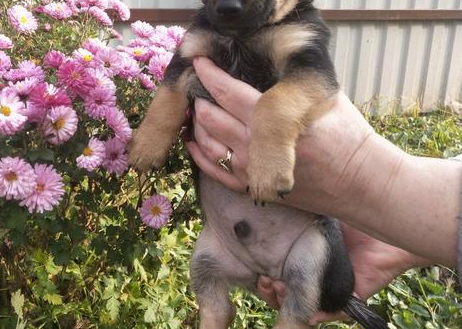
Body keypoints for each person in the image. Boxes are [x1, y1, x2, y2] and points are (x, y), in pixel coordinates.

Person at [186, 57, 462, 324]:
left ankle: (293, 320)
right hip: (221, 242)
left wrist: (357, 164)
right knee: (206, 282)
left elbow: (314, 82)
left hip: (295, 242)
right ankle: (215, 313)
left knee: (302, 285)